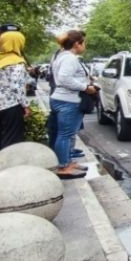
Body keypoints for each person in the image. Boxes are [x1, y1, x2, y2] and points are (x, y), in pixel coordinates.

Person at [48, 30, 98, 179]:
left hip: (63, 99)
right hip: (68, 101)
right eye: (84, 42)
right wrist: (85, 88)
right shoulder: (69, 58)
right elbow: (64, 78)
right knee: (65, 135)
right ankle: (63, 166)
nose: (85, 46)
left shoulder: (62, 56)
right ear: (77, 43)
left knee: (66, 134)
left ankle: (67, 162)